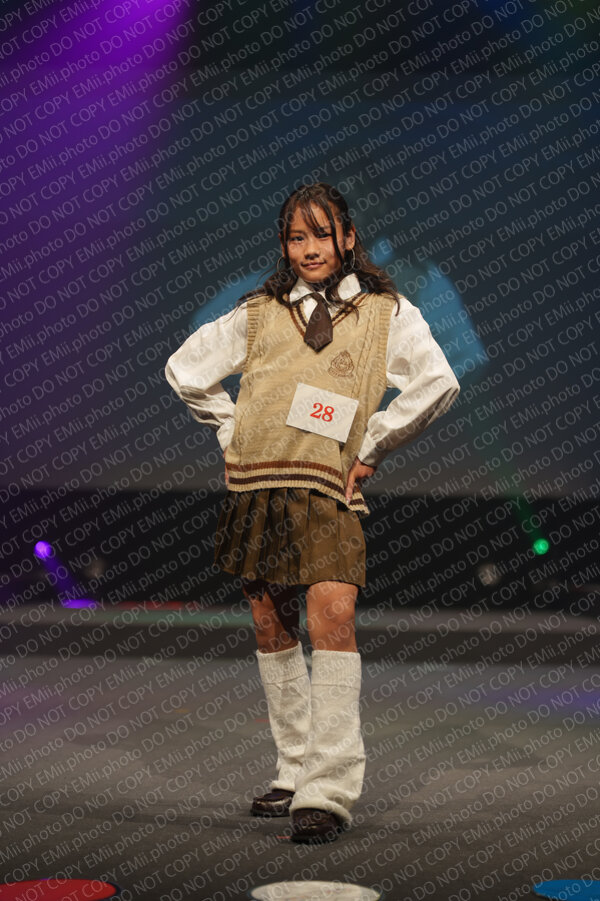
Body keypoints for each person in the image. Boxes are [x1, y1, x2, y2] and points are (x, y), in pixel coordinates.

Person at [165, 182, 460, 844]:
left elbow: (438, 381)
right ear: (284, 245)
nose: (309, 249)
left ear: (348, 238)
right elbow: (185, 370)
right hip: (259, 484)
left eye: (321, 235)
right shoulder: (259, 312)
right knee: (272, 625)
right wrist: (232, 430)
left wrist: (374, 445)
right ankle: (295, 768)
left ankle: (327, 790)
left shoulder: (385, 312)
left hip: (327, 487)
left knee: (333, 615)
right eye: (296, 238)